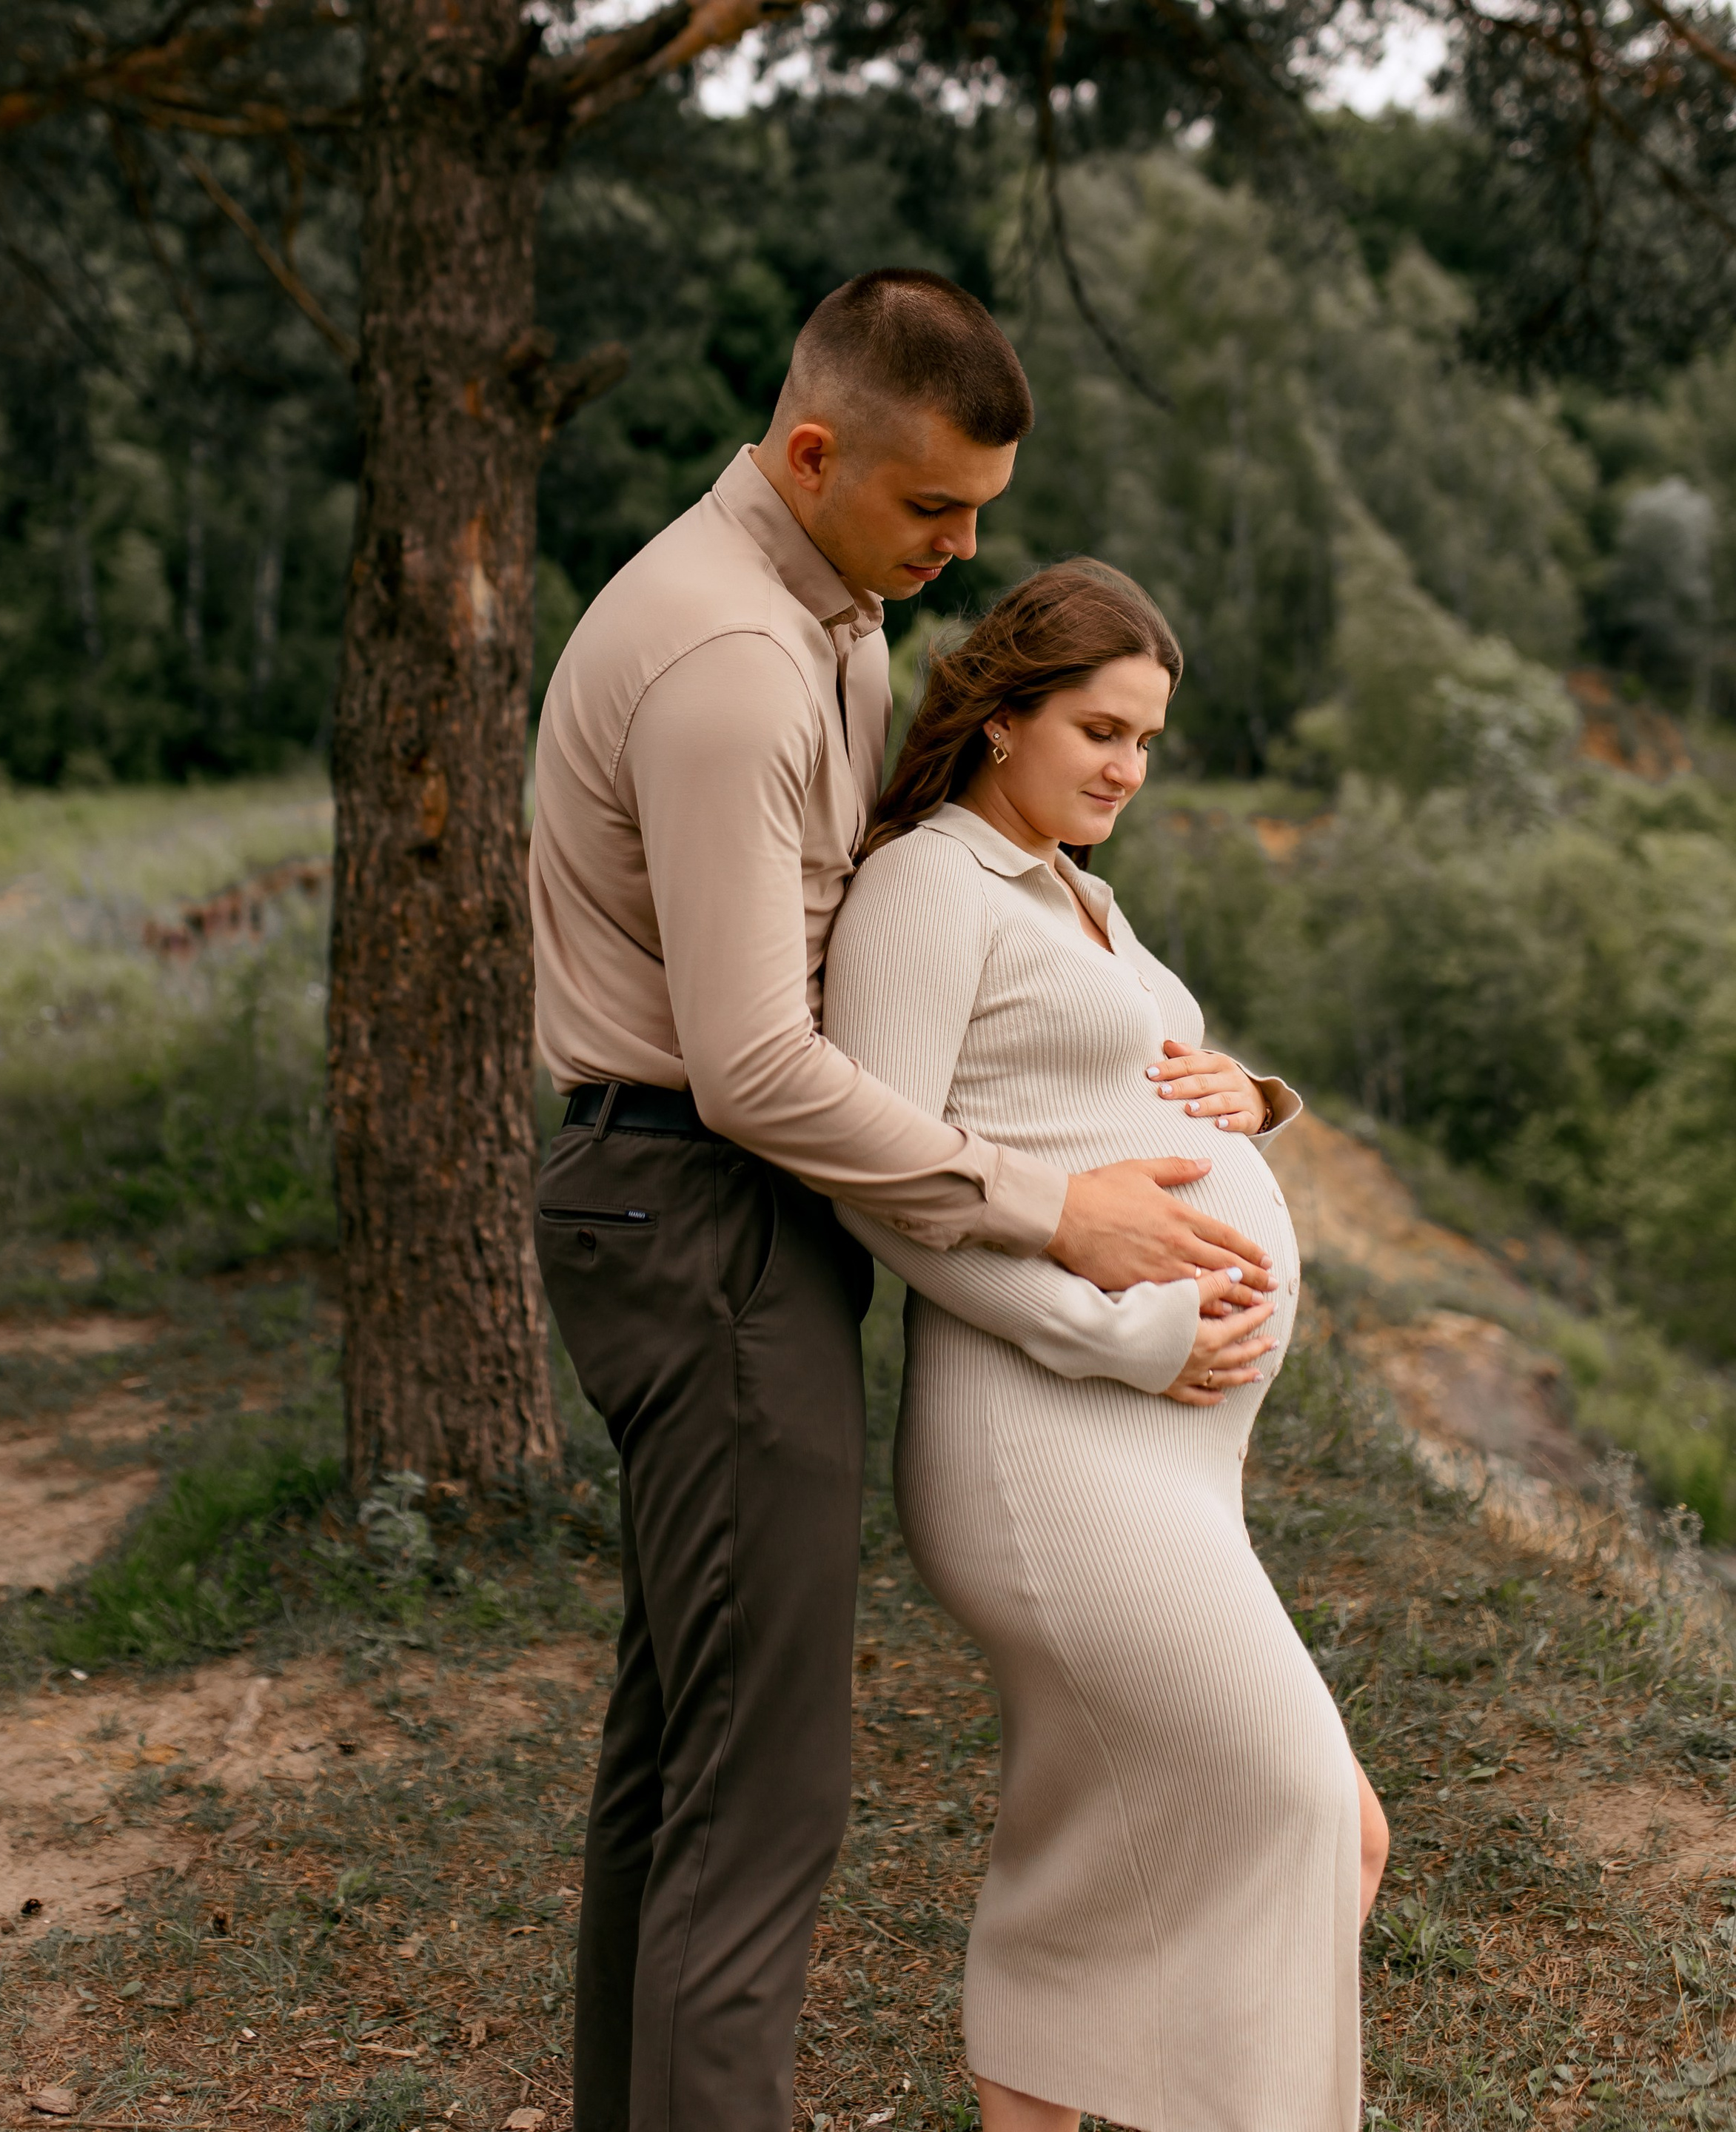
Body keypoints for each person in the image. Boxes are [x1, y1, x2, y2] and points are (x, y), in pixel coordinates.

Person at [528, 270, 1278, 2132]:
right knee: (762, 1786)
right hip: (692, 1206)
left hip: (731, 1211)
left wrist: (1229, 1101)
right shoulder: (725, 662)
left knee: (682, 1744)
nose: (960, 552)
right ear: (807, 453)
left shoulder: (833, 617)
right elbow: (755, 1067)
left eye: (981, 517)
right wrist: (1053, 1209)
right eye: (933, 508)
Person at [825, 557, 1390, 2132]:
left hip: (1158, 1457)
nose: (1125, 769)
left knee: (1117, 1856)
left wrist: (1244, 1096)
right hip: (1048, 1444)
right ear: (1001, 717)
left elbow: (1117, 1071)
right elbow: (881, 1181)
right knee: (1311, 1822)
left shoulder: (1074, 885)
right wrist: (1108, 1335)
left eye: (1145, 739)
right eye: (1096, 729)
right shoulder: (926, 888)